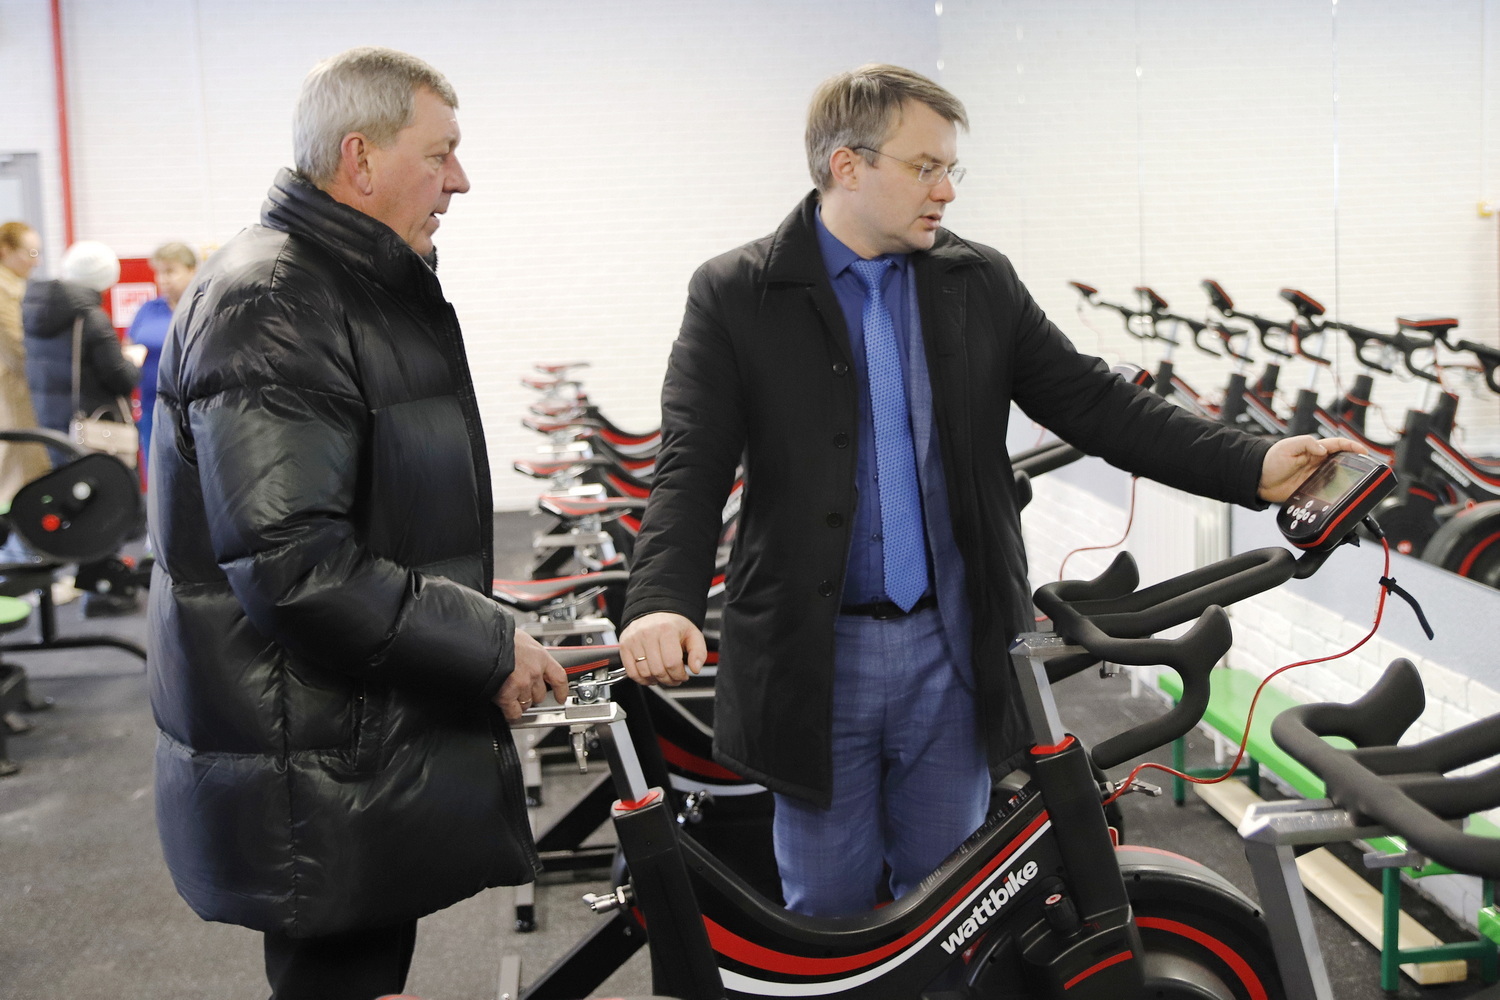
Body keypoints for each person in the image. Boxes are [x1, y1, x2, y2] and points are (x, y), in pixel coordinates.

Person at [618, 63, 1365, 918]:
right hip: (815, 656)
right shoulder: (737, 293)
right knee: (827, 913)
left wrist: (1252, 465)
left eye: (951, 170)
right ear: (847, 166)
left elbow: (1096, 403)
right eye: (924, 168)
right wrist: (660, 600)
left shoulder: (977, 281)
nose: (945, 191)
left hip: (953, 649)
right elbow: (692, 462)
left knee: (956, 916)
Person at [147, 46, 568, 1000]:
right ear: (360, 157)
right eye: (441, 153)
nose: (460, 180)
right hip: (311, 754)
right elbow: (294, 562)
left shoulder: (341, 284)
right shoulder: (277, 302)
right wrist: (486, 644)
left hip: (343, 738)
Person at [124, 241, 197, 475]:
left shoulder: (201, 308)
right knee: (157, 472)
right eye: (159, 273)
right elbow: (128, 347)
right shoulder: (148, 310)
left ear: (192, 270)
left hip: (194, 407)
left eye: (170, 271)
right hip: (152, 407)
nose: (163, 279)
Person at [0, 222, 50, 508]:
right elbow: (19, 349)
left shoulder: (15, 287)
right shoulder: (3, 290)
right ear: (6, 250)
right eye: (30, 253)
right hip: (13, 391)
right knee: (18, 468)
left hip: (21, 389)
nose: (36, 261)